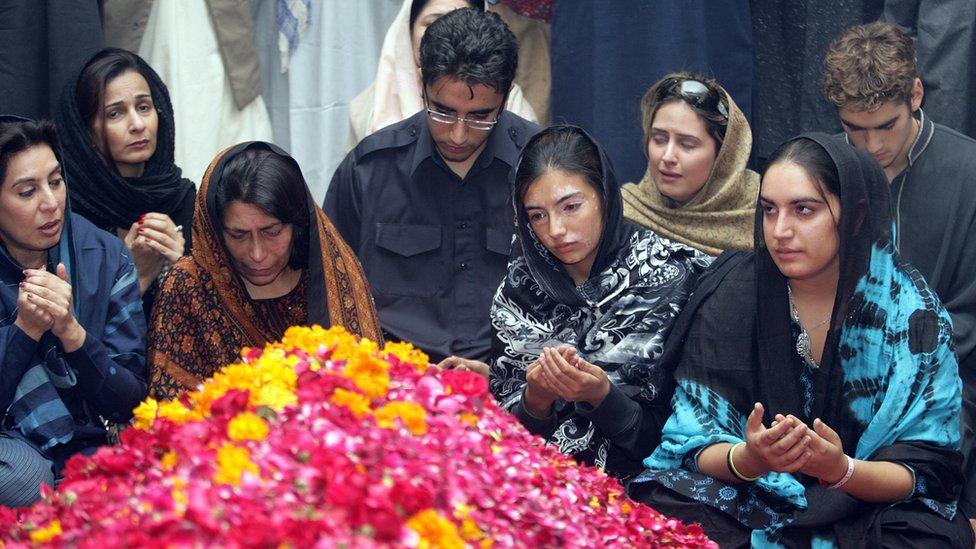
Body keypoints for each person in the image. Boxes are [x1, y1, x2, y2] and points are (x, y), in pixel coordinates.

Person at [629, 134, 972, 546]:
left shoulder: (909, 314)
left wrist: (840, 469)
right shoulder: (734, 293)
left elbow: (926, 471)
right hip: (752, 497)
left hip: (865, 505)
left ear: (856, 217)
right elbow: (690, 442)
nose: (780, 231)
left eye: (804, 210)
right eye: (769, 210)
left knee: (929, 536)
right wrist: (751, 459)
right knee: (664, 503)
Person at [471, 125, 708, 480]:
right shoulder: (519, 290)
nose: (556, 230)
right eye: (537, 215)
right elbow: (507, 440)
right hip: (528, 486)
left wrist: (602, 396)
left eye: (571, 207)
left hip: (639, 493)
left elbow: (679, 441)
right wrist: (535, 400)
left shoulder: (669, 277)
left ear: (604, 194)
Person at [821, 21, 976, 523]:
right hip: (830, 383)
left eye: (886, 126)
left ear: (915, 94)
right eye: (853, 130)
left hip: (947, 389)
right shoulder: (820, 165)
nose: (870, 146)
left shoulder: (968, 173)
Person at [325, 8, 540, 364]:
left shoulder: (542, 167)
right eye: (442, 111)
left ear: (505, 96)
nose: (458, 134)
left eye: (479, 117)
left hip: (513, 386)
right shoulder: (369, 170)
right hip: (395, 385)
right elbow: (331, 292)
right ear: (422, 82)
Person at [148, 142, 382, 400]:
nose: (257, 254)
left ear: (297, 224)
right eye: (238, 235)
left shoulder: (330, 274)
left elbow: (368, 388)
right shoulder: (189, 286)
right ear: (214, 230)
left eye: (272, 232)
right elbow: (170, 412)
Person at [0, 116, 147, 507]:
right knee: (26, 482)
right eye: (27, 191)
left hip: (92, 431)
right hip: (11, 441)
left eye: (56, 181)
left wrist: (71, 332)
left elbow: (130, 398)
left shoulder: (105, 256)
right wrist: (24, 330)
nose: (50, 203)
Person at [55, 48, 195, 316]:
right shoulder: (67, 214)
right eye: (115, 114)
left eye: (143, 107)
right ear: (84, 130)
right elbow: (73, 340)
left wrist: (184, 268)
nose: (137, 124)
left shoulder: (183, 198)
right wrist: (135, 276)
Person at [347, 0, 539, 147]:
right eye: (433, 22)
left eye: (479, 116)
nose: (446, 35)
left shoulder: (517, 112)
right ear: (409, 27)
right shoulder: (365, 110)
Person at [621, 73, 759, 256]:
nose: (668, 156)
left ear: (724, 155)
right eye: (659, 139)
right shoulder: (625, 214)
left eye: (687, 145)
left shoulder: (764, 213)